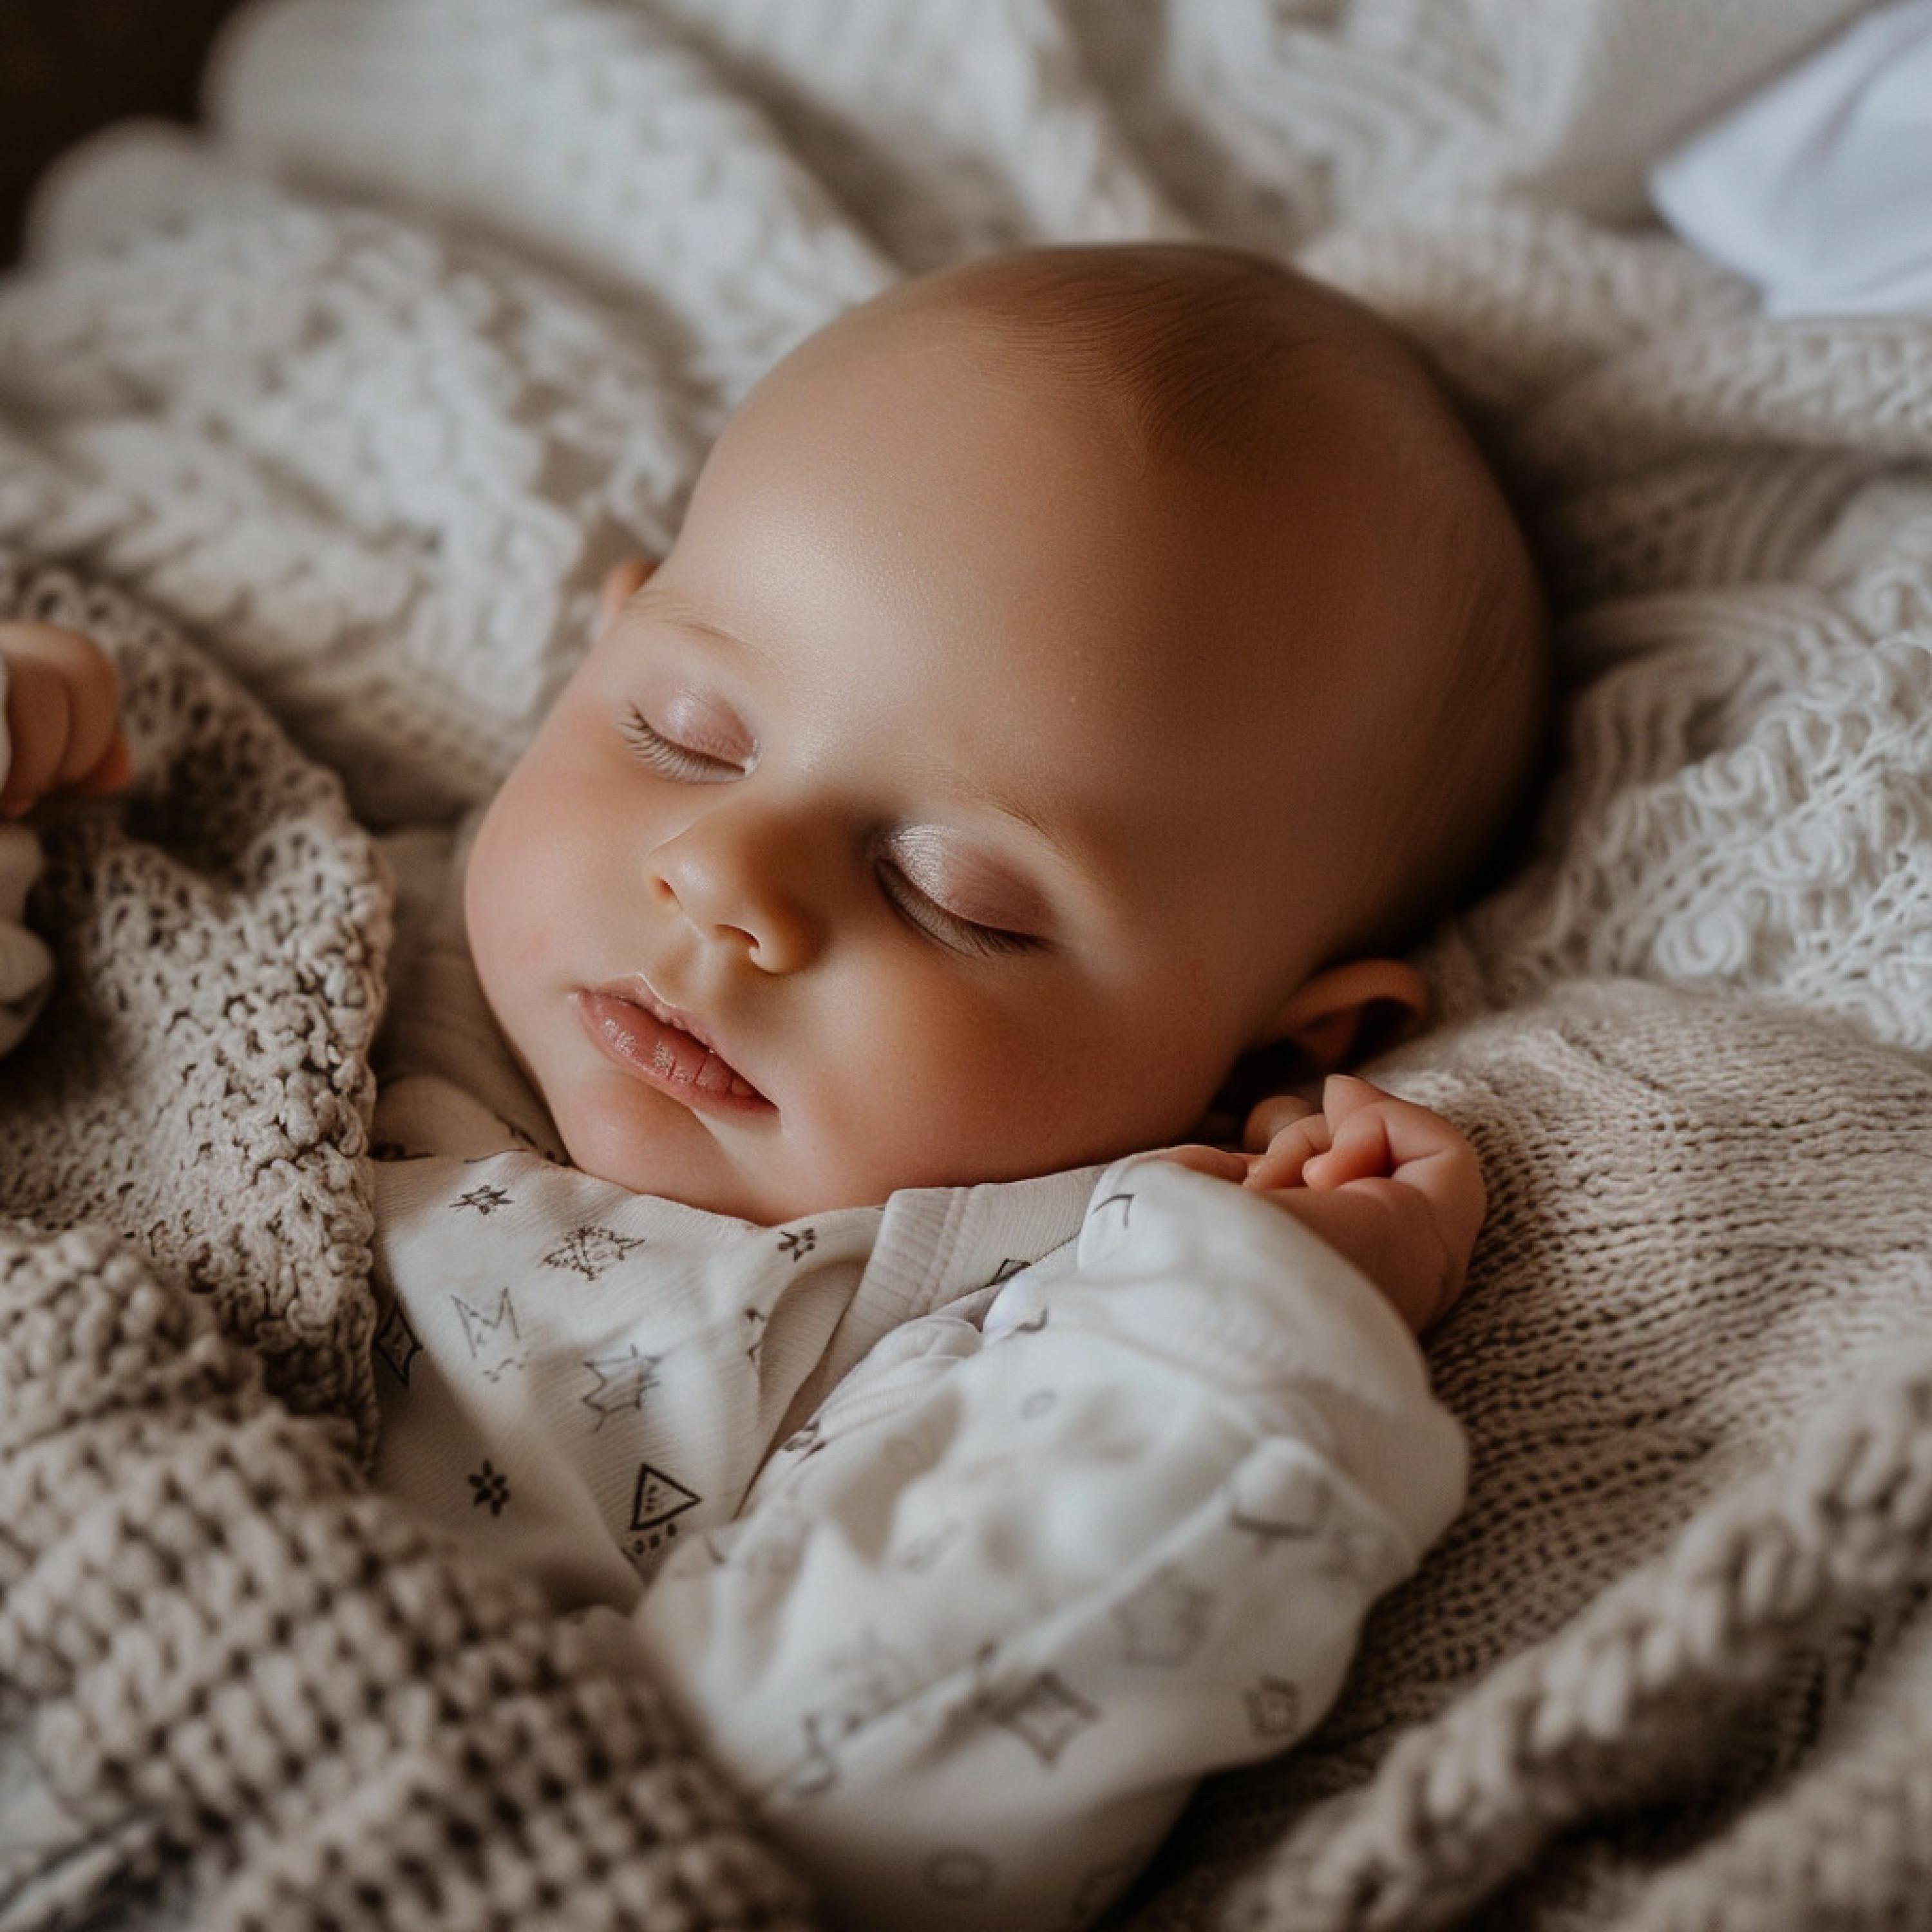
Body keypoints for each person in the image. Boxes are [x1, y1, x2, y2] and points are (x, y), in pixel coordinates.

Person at [0, 244, 1548, 1931]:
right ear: (600, 647)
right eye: (683, 731)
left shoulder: (984, 1337)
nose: (728, 875)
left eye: (957, 895)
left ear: (1282, 1049)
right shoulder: (276, 910)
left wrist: (1254, 1349)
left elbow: (851, 1779)